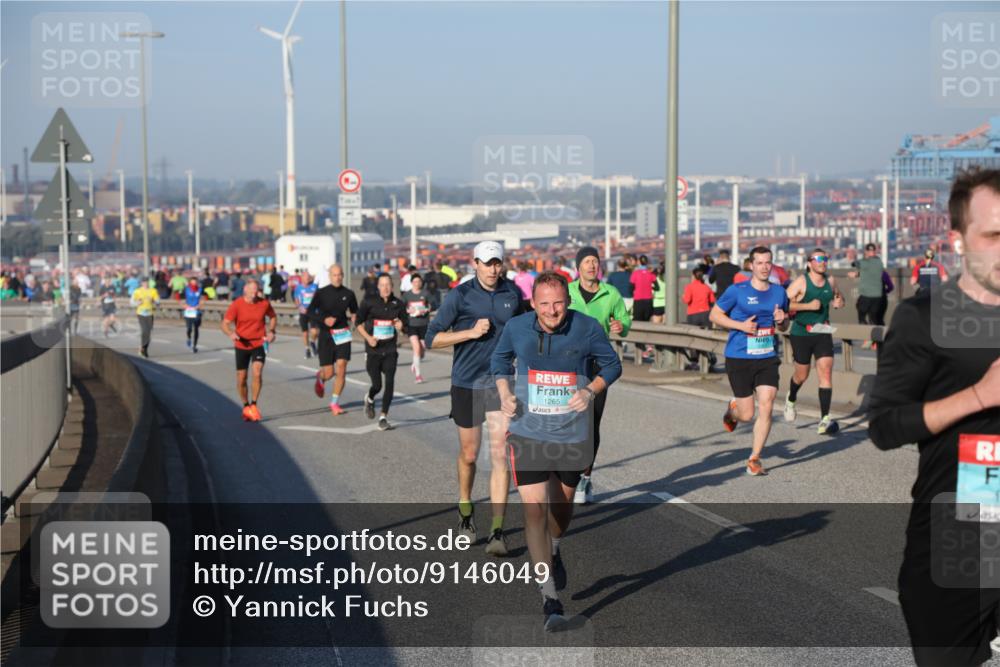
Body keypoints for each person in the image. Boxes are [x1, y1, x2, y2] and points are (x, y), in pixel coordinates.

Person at [869, 167, 1000, 666]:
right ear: (957, 239)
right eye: (994, 236)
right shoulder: (924, 317)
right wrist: (980, 395)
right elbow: (886, 426)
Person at [492, 271, 622, 631]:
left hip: (572, 434)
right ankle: (549, 597)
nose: (552, 311)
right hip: (528, 431)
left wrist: (591, 390)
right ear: (533, 303)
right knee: (534, 511)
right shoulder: (517, 328)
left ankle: (555, 547)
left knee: (560, 510)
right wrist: (504, 393)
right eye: (545, 304)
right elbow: (499, 362)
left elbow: (612, 365)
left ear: (568, 301)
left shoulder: (586, 328)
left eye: (559, 304)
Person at [425, 240, 523, 555]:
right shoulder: (461, 295)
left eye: (497, 263)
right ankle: (465, 510)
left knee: (500, 455)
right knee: (469, 454)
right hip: (466, 382)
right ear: (475, 263)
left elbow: (526, 328)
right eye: (487, 263)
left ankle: (497, 532)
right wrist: (469, 332)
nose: (493, 269)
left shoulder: (513, 293)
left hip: (499, 382)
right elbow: (432, 338)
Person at [709, 246, 789, 476]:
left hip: (767, 356)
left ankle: (754, 459)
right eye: (759, 263)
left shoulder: (779, 292)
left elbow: (784, 326)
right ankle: (733, 410)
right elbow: (714, 315)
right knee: (746, 416)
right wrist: (740, 326)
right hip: (739, 357)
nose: (764, 267)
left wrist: (782, 321)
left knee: (767, 404)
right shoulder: (737, 290)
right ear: (751, 265)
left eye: (768, 262)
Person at [567, 246, 631, 505]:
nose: (592, 265)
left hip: (597, 366)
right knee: (567, 420)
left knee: (591, 423)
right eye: (587, 261)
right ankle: (563, 472)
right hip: (568, 364)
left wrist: (621, 325)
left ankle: (585, 477)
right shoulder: (567, 291)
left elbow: (625, 322)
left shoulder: (610, 293)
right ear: (578, 267)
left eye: (595, 261)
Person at [784, 249, 845, 434]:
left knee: (825, 371)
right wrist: (807, 306)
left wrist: (839, 302)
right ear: (809, 263)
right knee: (801, 375)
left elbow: (838, 296)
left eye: (825, 258)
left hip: (822, 331)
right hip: (801, 333)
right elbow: (783, 303)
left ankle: (824, 419)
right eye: (818, 258)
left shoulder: (831, 281)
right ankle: (791, 398)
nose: (823, 261)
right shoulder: (801, 282)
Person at [357, 274, 408, 431]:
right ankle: (370, 398)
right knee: (377, 385)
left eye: (388, 285)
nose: (385, 288)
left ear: (392, 286)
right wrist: (368, 338)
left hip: (390, 349)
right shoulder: (369, 302)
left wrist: (402, 327)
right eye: (382, 285)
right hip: (373, 350)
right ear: (378, 287)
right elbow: (357, 323)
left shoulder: (398, 304)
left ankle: (383, 417)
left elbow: (406, 325)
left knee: (390, 382)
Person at [221, 279, 277, 422]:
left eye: (256, 290)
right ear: (245, 290)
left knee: (257, 372)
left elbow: (273, 316)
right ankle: (246, 406)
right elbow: (225, 324)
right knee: (242, 378)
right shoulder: (237, 304)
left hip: (259, 343)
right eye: (252, 289)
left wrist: (272, 331)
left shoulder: (264, 303)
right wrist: (230, 333)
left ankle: (254, 405)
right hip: (242, 344)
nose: (254, 292)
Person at [309, 265, 358, 415]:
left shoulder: (349, 294)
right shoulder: (321, 293)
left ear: (343, 276)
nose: (337, 278)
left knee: (342, 367)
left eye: (339, 275)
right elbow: (310, 311)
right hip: (326, 335)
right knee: (329, 373)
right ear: (330, 276)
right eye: (334, 275)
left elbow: (355, 311)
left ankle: (334, 403)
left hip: (342, 333)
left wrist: (354, 320)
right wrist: (324, 320)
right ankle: (321, 377)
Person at [682, 268, 718, 370]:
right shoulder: (707, 287)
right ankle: (710, 358)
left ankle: (694, 361)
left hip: (693, 315)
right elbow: (712, 300)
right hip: (705, 314)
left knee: (693, 337)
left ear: (693, 276)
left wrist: (683, 296)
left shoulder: (690, 287)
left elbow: (687, 300)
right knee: (706, 337)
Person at [403, 274, 432, 383]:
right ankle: (418, 375)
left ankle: (415, 364)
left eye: (419, 282)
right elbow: (401, 308)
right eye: (415, 282)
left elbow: (433, 304)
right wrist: (407, 310)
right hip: (412, 325)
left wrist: (427, 309)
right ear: (411, 283)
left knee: (422, 352)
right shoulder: (407, 295)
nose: (417, 284)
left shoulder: (425, 293)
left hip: (424, 324)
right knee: (416, 348)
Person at [131, 278, 159, 358]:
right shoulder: (137, 291)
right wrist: (137, 303)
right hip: (141, 313)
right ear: (141, 283)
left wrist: (153, 300)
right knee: (144, 330)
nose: (145, 284)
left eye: (146, 282)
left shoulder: (153, 291)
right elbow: (132, 302)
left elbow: (158, 301)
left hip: (150, 313)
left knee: (148, 332)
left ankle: (144, 348)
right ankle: (143, 348)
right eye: (144, 282)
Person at [294, 271, 320, 359]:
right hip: (303, 312)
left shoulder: (315, 286)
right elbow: (296, 300)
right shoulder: (298, 288)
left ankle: (312, 341)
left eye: (309, 277)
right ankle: (307, 349)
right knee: (305, 333)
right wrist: (300, 307)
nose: (308, 279)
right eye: (306, 277)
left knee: (315, 332)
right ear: (302, 278)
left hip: (313, 312)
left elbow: (320, 297)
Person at [629, 255, 657, 323]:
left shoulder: (635, 273)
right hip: (648, 300)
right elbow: (657, 287)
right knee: (647, 321)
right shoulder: (651, 273)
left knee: (637, 321)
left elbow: (631, 288)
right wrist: (650, 287)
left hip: (638, 300)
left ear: (639, 262)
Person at [183, 277, 204, 353]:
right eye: (192, 282)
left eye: (195, 282)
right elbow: (182, 299)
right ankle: (188, 338)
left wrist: (199, 306)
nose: (194, 283)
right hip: (188, 312)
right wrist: (185, 305)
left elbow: (203, 299)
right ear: (190, 282)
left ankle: (194, 346)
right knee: (189, 329)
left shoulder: (200, 289)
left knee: (196, 329)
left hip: (197, 312)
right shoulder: (186, 289)